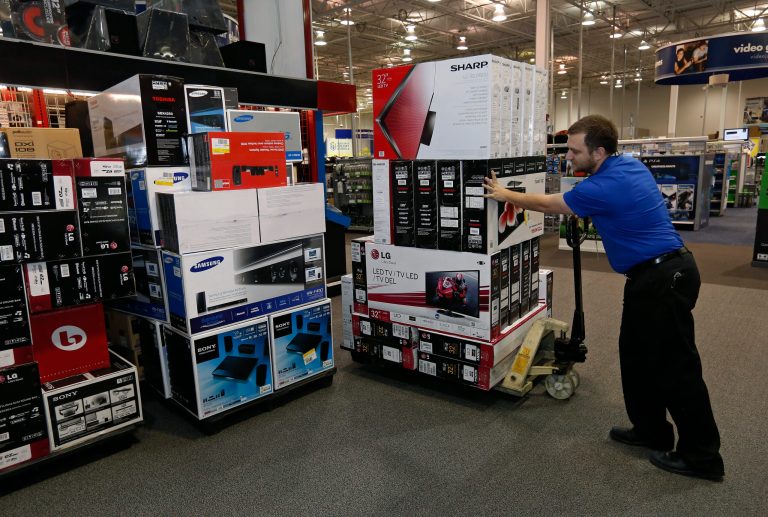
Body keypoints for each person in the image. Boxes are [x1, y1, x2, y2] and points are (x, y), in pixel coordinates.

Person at [483, 115, 724, 481]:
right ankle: (651, 431)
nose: (567, 156)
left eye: (574, 150)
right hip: (654, 277)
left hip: (663, 280)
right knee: (637, 357)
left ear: (598, 151)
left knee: (676, 370)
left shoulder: (600, 187)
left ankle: (702, 456)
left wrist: (505, 195)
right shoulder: (629, 167)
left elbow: (551, 204)